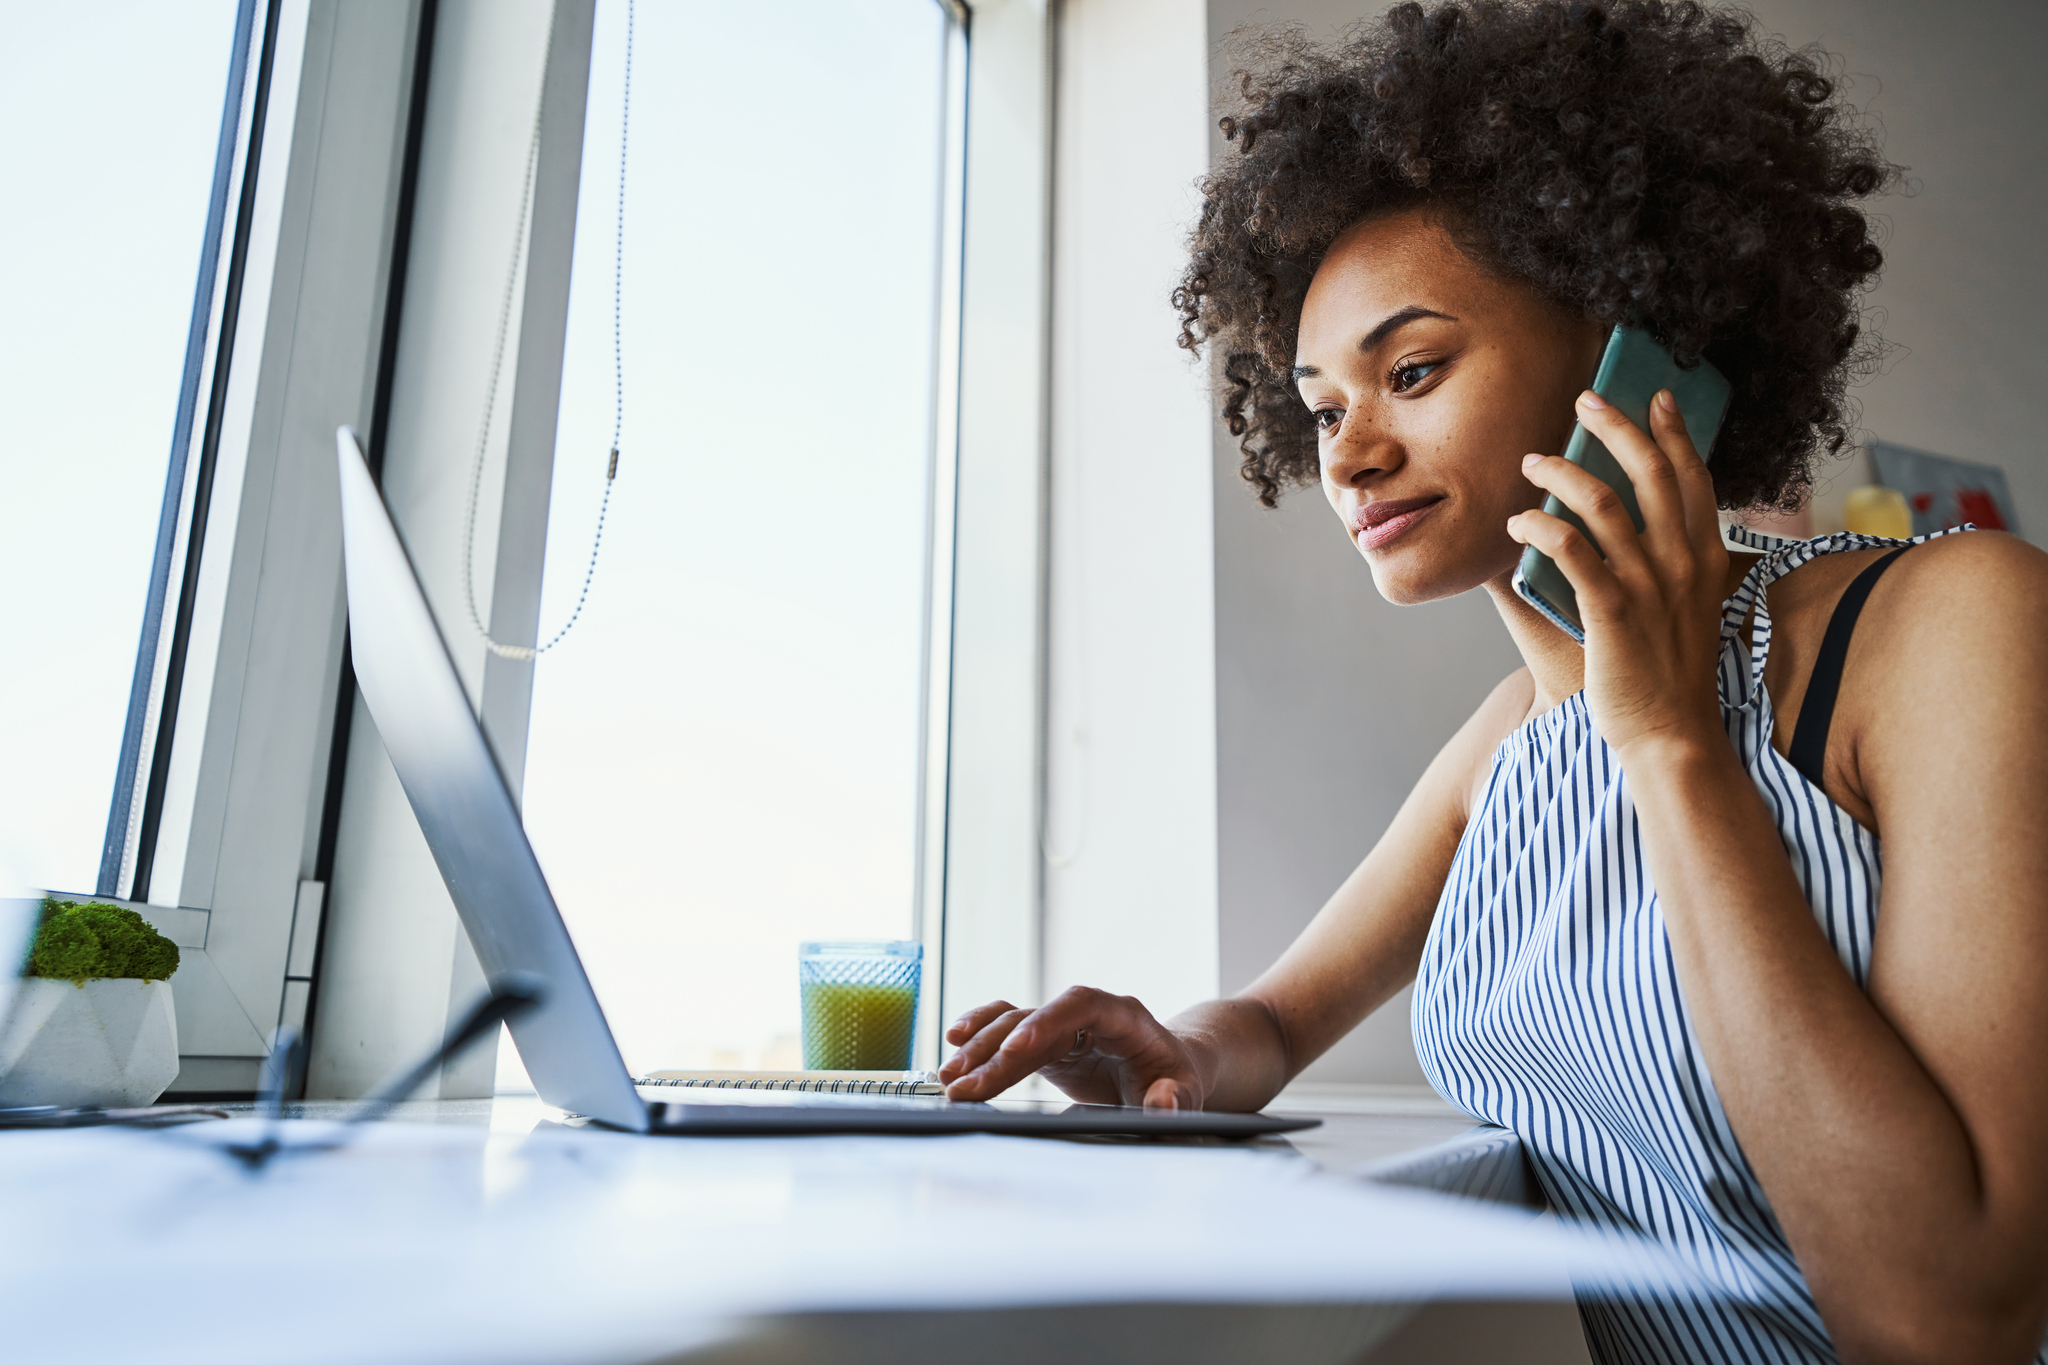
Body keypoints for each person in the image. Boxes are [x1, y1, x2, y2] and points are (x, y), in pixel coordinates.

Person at [936, 3, 2048, 1362]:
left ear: (1634, 348)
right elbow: (1278, 1016)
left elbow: (1945, 1324)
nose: (1346, 456)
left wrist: (1668, 741)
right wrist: (1181, 1052)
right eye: (1323, 407)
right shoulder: (1509, 747)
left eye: (1410, 371)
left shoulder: (1949, 622)